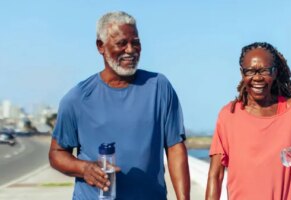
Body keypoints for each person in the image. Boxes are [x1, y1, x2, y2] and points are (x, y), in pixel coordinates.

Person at [48, 11, 190, 200]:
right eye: (122, 43)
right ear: (101, 46)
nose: (130, 50)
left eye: (136, 42)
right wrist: (84, 168)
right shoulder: (78, 98)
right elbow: (57, 153)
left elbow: (175, 148)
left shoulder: (159, 87)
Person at [205, 42, 291, 200]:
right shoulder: (228, 114)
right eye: (250, 71)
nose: (257, 78)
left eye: (264, 71)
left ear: (275, 72)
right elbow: (215, 175)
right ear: (242, 73)